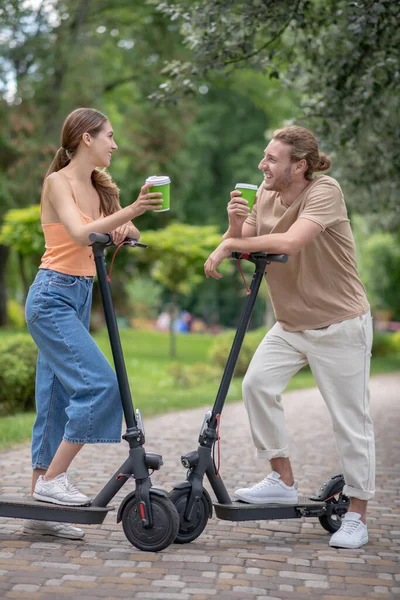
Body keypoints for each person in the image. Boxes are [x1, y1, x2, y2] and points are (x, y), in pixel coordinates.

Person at [204, 125, 374, 550]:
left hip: (339, 324)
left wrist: (227, 246)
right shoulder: (265, 195)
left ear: (299, 166)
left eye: (272, 159)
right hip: (291, 323)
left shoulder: (325, 191)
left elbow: (292, 241)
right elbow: (248, 244)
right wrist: (234, 228)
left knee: (350, 423)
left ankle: (357, 516)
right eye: (264, 156)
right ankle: (282, 479)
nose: (263, 165)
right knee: (257, 385)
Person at [24, 107, 163, 539]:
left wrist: (126, 224)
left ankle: (43, 509)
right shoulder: (58, 182)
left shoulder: (101, 187)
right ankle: (52, 483)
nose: (114, 144)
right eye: (109, 136)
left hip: (80, 296)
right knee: (100, 385)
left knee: (54, 400)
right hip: (51, 297)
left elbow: (133, 233)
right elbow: (81, 234)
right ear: (86, 138)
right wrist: (130, 210)